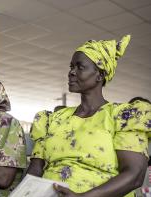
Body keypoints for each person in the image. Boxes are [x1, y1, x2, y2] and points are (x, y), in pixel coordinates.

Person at [27, 35, 150, 197]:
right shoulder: (52, 120)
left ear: (100, 75)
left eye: (80, 67)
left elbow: (134, 175)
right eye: (71, 67)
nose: (71, 72)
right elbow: (35, 170)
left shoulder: (123, 117)